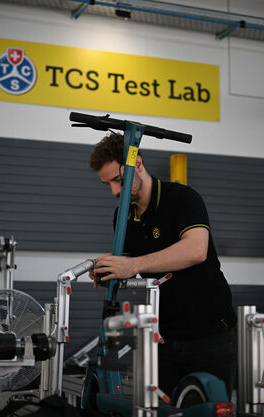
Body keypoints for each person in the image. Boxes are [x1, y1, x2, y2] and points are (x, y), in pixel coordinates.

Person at [89, 132, 237, 400]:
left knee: (208, 406)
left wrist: (133, 264)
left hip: (208, 332)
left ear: (139, 165)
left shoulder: (182, 198)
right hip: (163, 337)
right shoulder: (123, 215)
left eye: (118, 180)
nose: (114, 191)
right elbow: (128, 263)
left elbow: (196, 250)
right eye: (107, 184)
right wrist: (108, 269)